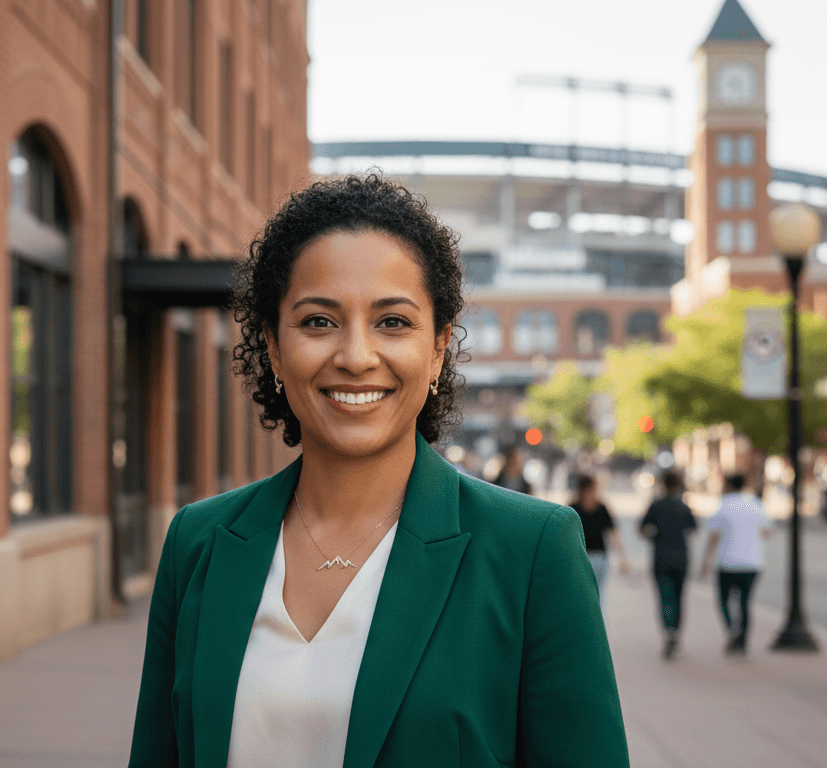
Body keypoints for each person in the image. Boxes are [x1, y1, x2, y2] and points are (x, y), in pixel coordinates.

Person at [127, 175, 628, 768]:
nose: (357, 356)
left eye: (392, 322)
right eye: (319, 321)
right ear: (274, 347)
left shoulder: (532, 550)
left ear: (438, 348)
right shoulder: (198, 542)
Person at [698, 473, 773, 655]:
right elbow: (767, 532)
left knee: (724, 600)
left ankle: (732, 629)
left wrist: (706, 561)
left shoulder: (723, 505)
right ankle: (742, 640)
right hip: (752, 563)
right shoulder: (755, 504)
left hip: (727, 562)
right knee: (745, 603)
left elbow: (713, 535)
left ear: (728, 486)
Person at [639, 469, 697, 659]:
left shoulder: (656, 505)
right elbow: (693, 529)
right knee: (679, 598)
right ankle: (675, 631)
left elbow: (642, 528)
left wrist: (655, 536)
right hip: (681, 558)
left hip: (661, 558)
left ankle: (669, 630)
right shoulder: (683, 506)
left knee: (665, 597)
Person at [572, 474, 630, 602]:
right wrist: (622, 558)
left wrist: (622, 558)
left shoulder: (573, 509)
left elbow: (613, 534)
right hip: (589, 557)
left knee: (584, 596)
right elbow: (614, 534)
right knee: (596, 595)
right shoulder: (600, 508)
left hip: (589, 557)